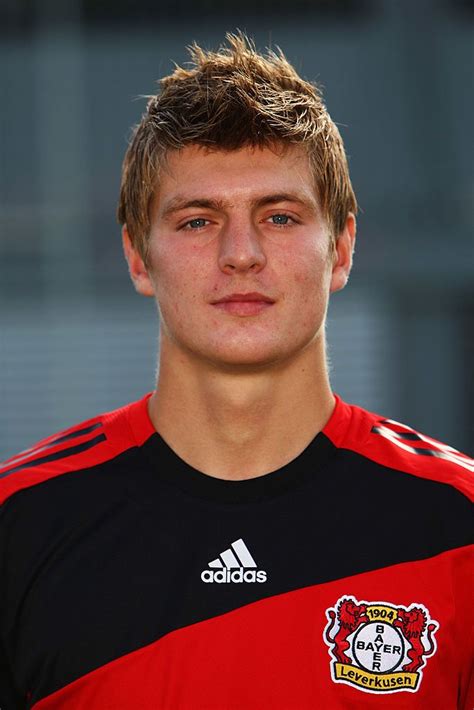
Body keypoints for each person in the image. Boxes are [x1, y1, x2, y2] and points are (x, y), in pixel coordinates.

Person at [0, 33, 472, 710]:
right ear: (137, 255)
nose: (241, 254)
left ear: (340, 248)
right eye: (197, 221)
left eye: (279, 216)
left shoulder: (459, 524)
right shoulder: (19, 526)